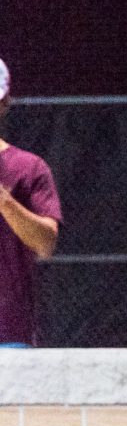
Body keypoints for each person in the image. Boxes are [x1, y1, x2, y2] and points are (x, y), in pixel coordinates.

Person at [0, 57, 61, 350]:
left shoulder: (29, 168)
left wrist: (5, 202)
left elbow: (46, 245)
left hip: (8, 332)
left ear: (4, 103)